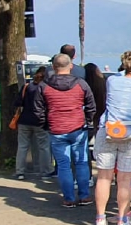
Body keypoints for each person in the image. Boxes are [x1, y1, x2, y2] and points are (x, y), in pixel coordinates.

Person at [93, 51, 131, 225]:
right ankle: (122, 219)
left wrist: (130, 67)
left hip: (108, 130)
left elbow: (118, 75)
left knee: (103, 177)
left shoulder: (112, 81)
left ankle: (100, 217)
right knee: (125, 179)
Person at [33, 53, 96, 208]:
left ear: (54, 67)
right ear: (71, 66)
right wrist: (87, 120)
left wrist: (46, 124)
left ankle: (68, 198)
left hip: (56, 129)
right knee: (81, 162)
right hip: (78, 128)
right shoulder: (81, 84)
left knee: (63, 164)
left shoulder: (44, 86)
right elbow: (91, 105)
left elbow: (38, 110)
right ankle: (84, 196)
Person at [14, 66, 53, 180]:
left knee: (22, 146)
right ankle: (46, 171)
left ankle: (20, 171)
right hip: (40, 121)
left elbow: (18, 103)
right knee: (44, 147)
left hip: (24, 120)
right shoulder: (46, 88)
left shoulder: (26, 86)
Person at [85, 63, 107, 187]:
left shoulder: (84, 86)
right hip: (101, 121)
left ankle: (88, 177)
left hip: (87, 121)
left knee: (84, 150)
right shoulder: (103, 85)